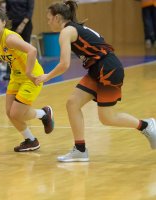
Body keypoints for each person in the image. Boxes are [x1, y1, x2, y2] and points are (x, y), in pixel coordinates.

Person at [35, 1, 156, 162]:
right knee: (72, 103)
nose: (48, 21)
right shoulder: (73, 28)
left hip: (108, 69)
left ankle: (146, 125)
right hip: (98, 68)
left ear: (57, 17)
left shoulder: (66, 32)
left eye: (49, 18)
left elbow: (64, 64)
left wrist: (46, 76)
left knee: (107, 118)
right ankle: (80, 149)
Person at [0, 8, 54, 152]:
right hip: (16, 77)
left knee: (16, 113)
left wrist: (28, 72)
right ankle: (31, 140)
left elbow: (32, 50)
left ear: (3, 23)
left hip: (32, 76)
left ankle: (44, 114)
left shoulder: (10, 39)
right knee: (9, 112)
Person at [3, 0, 35, 80]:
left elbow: (30, 11)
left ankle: (27, 71)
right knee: (10, 48)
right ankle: (9, 72)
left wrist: (22, 25)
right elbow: (8, 10)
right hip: (12, 24)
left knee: (25, 49)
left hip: (25, 25)